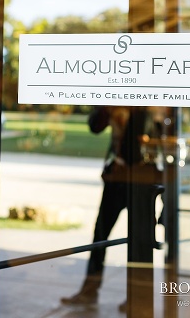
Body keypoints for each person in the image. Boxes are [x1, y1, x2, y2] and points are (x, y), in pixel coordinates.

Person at [60, 106, 163, 311]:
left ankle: (138, 296)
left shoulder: (144, 105)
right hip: (117, 178)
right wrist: (106, 106)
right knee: (100, 235)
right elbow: (95, 126)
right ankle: (89, 291)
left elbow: (150, 136)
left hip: (139, 180)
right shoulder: (112, 102)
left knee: (140, 242)